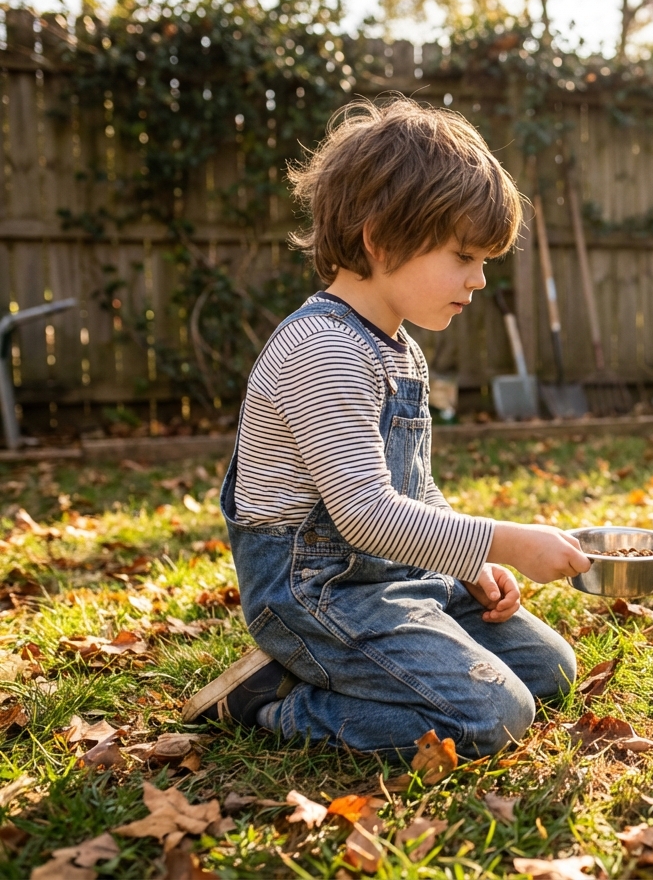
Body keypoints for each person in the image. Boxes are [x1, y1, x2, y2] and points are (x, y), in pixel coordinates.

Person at [180, 96, 592, 757]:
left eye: (485, 261)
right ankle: (277, 704)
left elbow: (414, 491)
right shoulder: (324, 350)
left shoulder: (397, 347)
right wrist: (511, 541)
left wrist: (474, 565)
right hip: (316, 595)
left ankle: (368, 675)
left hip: (392, 580)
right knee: (492, 716)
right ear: (382, 238)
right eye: (464, 256)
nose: (479, 280)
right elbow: (367, 515)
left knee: (550, 673)